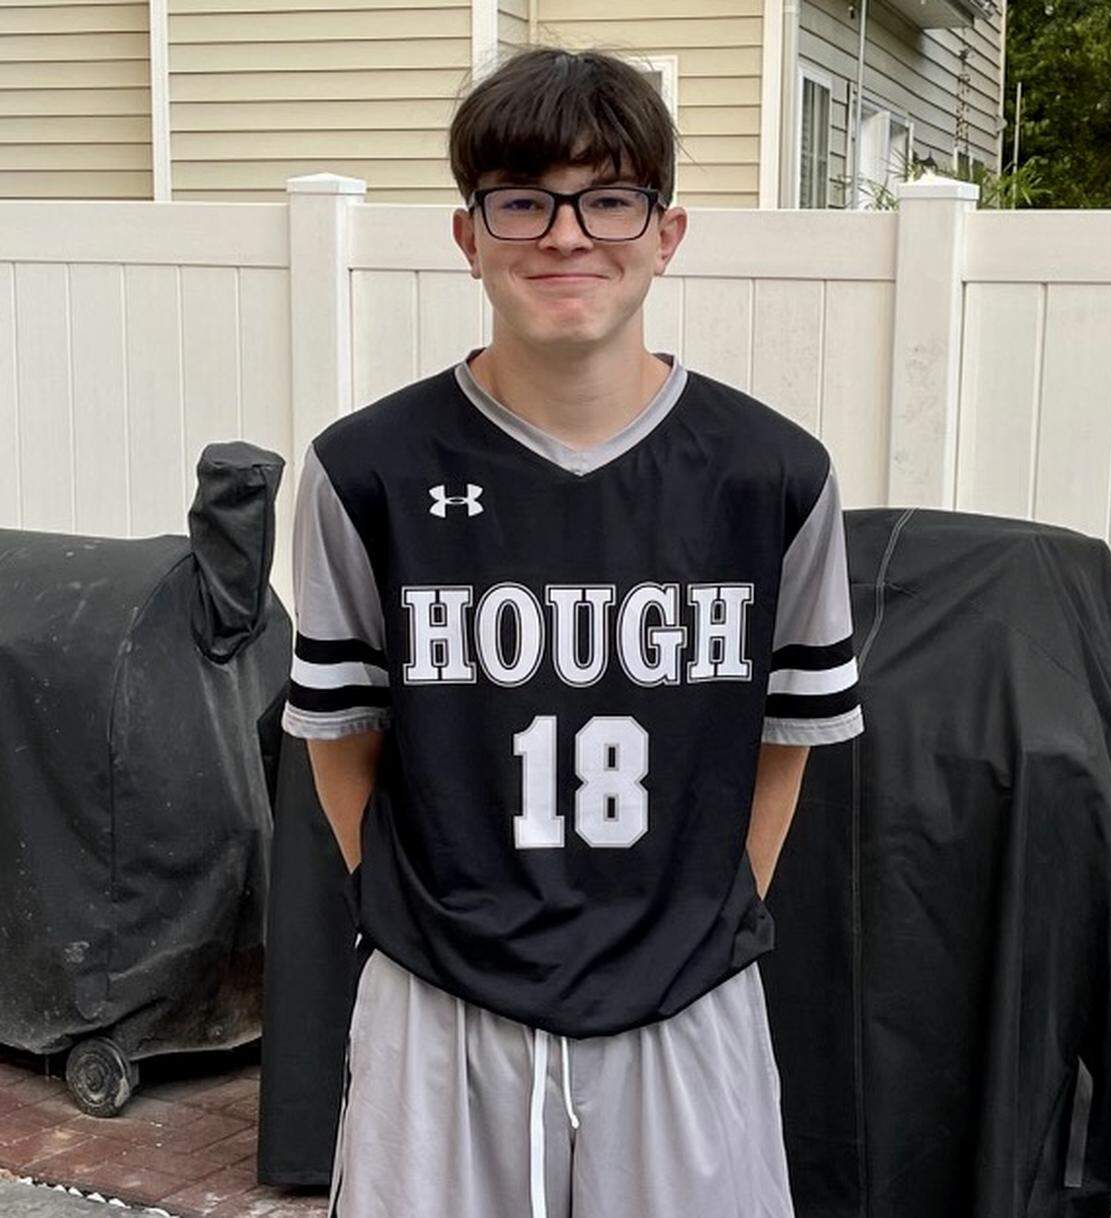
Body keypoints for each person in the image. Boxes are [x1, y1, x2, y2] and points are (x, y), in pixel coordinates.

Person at [282, 45, 864, 1218]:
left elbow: (783, 745)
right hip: (440, 1003)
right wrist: (428, 920)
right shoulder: (366, 472)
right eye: (523, 200)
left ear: (667, 230)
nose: (565, 235)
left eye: (608, 197)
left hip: (686, 998)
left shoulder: (776, 477)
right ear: (468, 236)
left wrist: (694, 921)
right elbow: (341, 746)